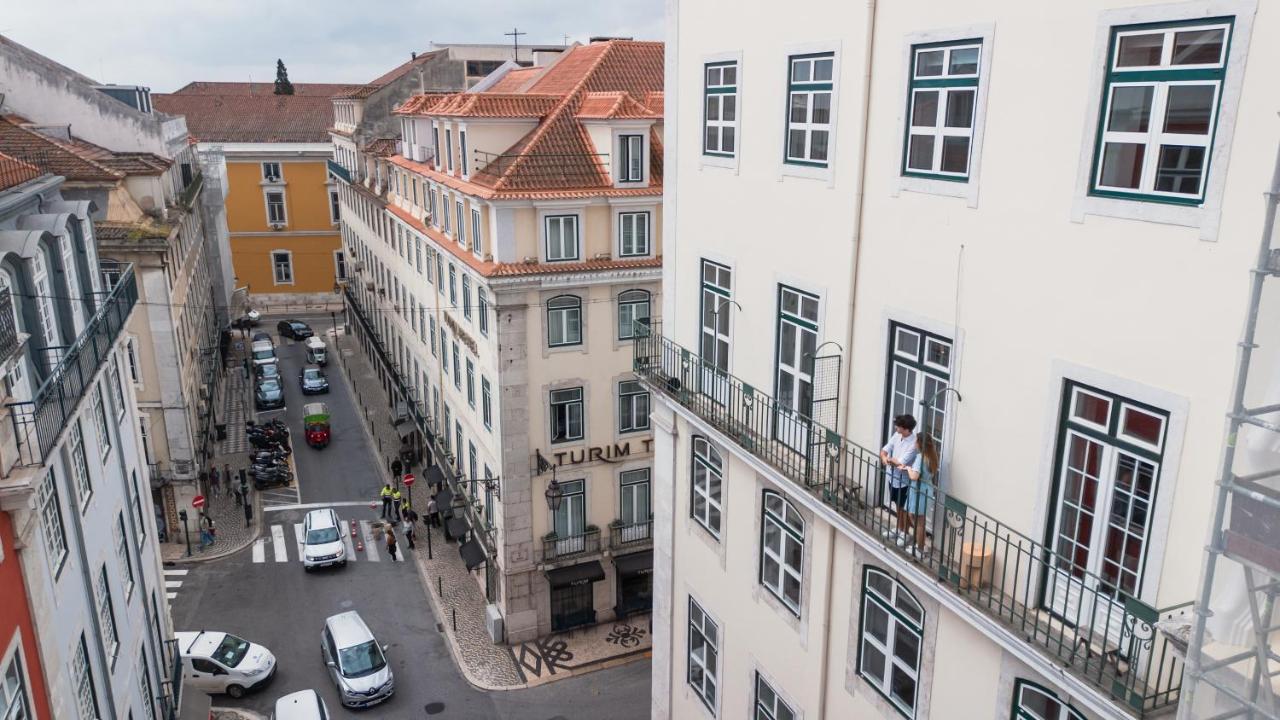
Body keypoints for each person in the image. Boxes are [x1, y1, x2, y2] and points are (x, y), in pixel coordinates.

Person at [879, 414, 919, 547]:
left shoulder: (913, 444)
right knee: (897, 505)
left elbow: (901, 463)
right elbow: (885, 450)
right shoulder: (897, 436)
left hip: (904, 481)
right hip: (892, 478)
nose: (896, 427)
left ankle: (905, 532)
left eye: (899, 426)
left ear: (906, 429)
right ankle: (899, 528)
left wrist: (891, 460)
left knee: (904, 508)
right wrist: (886, 459)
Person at [905, 432, 940, 558]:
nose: (914, 443)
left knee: (918, 521)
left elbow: (914, 476)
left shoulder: (921, 458)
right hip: (927, 489)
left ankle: (919, 549)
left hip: (919, 490)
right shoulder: (932, 457)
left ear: (920, 443)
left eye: (916, 441)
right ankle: (921, 544)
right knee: (917, 519)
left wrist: (908, 469)